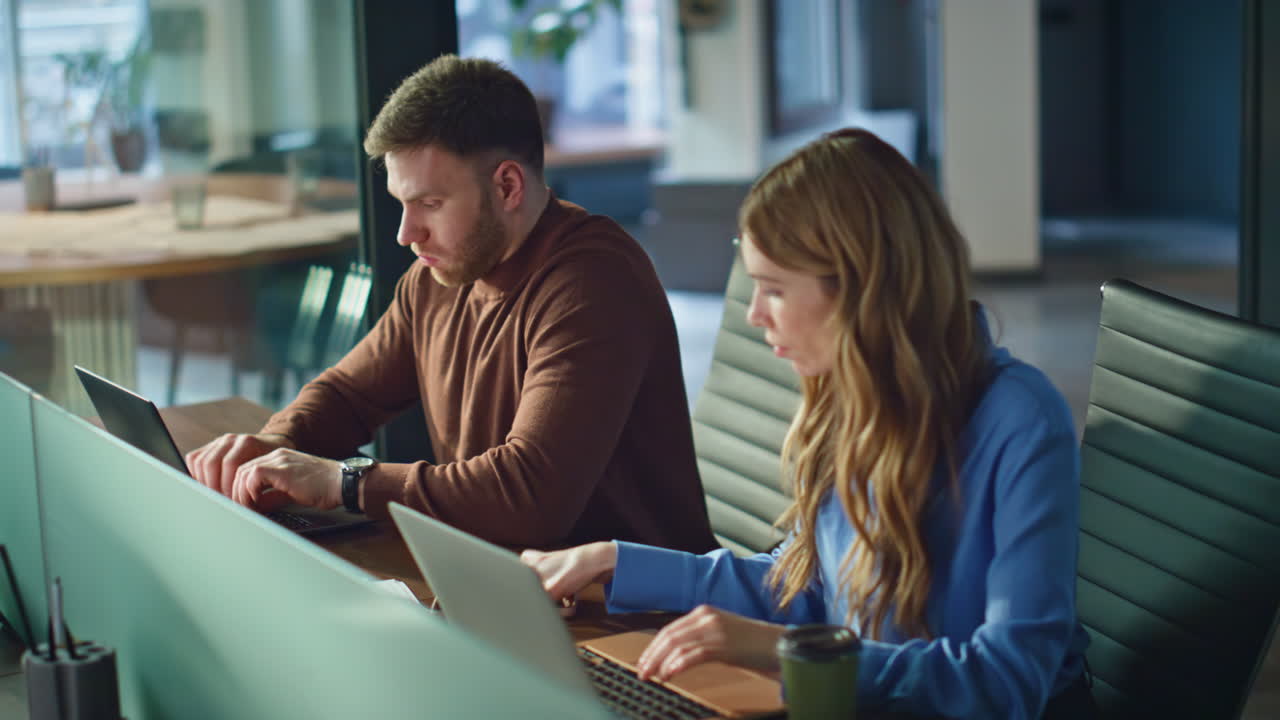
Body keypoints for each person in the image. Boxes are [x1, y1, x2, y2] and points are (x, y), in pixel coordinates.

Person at [521, 128, 1098, 719]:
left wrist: (789, 652)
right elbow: (804, 584)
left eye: (773, 289)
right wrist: (616, 561)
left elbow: (1006, 682)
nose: (753, 314)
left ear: (860, 290)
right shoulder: (852, 401)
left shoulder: (1022, 421)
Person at [185, 55, 718, 553]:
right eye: (402, 204)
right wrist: (274, 444)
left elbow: (527, 499)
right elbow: (349, 394)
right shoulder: (438, 275)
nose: (405, 233)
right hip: (504, 578)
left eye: (430, 204)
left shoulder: (592, 283)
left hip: (635, 618)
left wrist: (343, 482)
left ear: (507, 185)